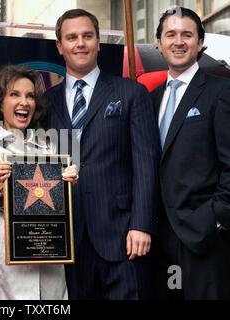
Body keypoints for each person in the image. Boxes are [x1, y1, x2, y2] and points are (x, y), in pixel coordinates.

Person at [45, 9, 160, 300]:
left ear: (98, 42)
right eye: (71, 38)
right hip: (67, 242)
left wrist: (141, 225)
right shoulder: (46, 102)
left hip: (123, 237)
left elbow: (146, 163)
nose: (80, 43)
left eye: (87, 36)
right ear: (60, 46)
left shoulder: (131, 92)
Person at [0, 64, 77, 300]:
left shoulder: (48, 145)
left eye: (30, 96)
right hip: (9, 243)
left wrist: (67, 186)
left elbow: (57, 203)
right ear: (0, 101)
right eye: (15, 94)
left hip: (50, 245)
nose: (24, 102)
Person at [151, 7, 230, 299]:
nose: (178, 41)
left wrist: (215, 219)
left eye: (187, 34)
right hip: (160, 243)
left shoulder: (222, 92)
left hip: (205, 240)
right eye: (170, 34)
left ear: (200, 43)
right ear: (159, 43)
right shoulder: (151, 99)